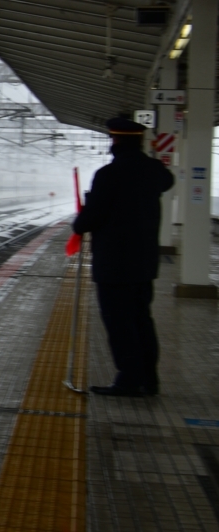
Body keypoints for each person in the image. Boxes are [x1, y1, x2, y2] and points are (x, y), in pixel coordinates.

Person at [72, 116, 174, 397]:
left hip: (115, 265)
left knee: (120, 323)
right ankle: (149, 379)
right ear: (140, 141)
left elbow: (89, 220)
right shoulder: (154, 171)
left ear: (114, 140)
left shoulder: (109, 175)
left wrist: (82, 217)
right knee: (141, 320)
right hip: (144, 264)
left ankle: (129, 380)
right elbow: (166, 180)